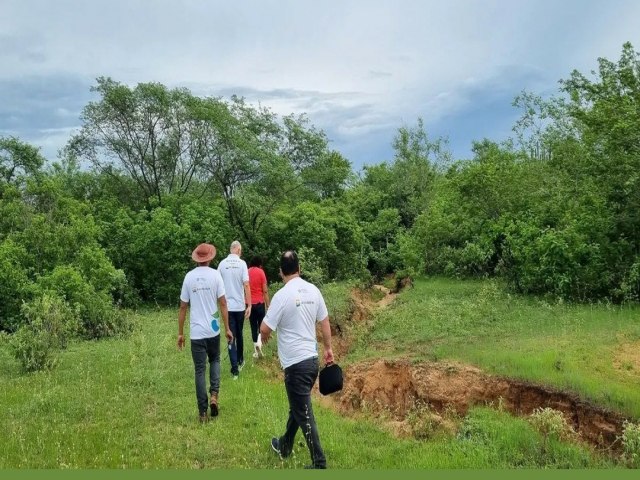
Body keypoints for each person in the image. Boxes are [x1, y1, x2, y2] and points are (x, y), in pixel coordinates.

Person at [261, 250, 333, 469]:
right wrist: (328, 348)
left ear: (281, 272)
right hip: (312, 360)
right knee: (298, 407)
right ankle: (284, 445)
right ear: (299, 269)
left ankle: (319, 463)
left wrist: (264, 337)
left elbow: (264, 328)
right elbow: (325, 321)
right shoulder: (314, 290)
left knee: (304, 413)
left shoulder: (282, 296)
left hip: (295, 364)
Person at [178, 243, 233, 423]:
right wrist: (227, 328)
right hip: (213, 329)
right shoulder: (215, 275)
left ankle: (202, 413)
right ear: (209, 258)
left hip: (196, 332)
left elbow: (183, 307)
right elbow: (223, 303)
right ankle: (214, 396)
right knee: (215, 360)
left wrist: (180, 333)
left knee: (200, 370)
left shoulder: (189, 277)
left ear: (197, 258)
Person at [217, 240, 251, 378]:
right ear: (238, 250)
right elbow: (246, 285)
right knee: (240, 333)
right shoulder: (242, 264)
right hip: (239, 306)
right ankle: (239, 360)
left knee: (230, 334)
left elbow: (216, 283)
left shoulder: (222, 264)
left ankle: (234, 368)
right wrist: (249, 304)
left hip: (227, 306)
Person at [248, 256, 270, 358]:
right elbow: (265, 290)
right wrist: (268, 304)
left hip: (250, 304)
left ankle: (256, 351)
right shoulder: (261, 272)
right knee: (261, 326)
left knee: (253, 326)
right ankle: (259, 346)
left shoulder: (247, 272)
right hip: (260, 303)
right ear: (259, 264)